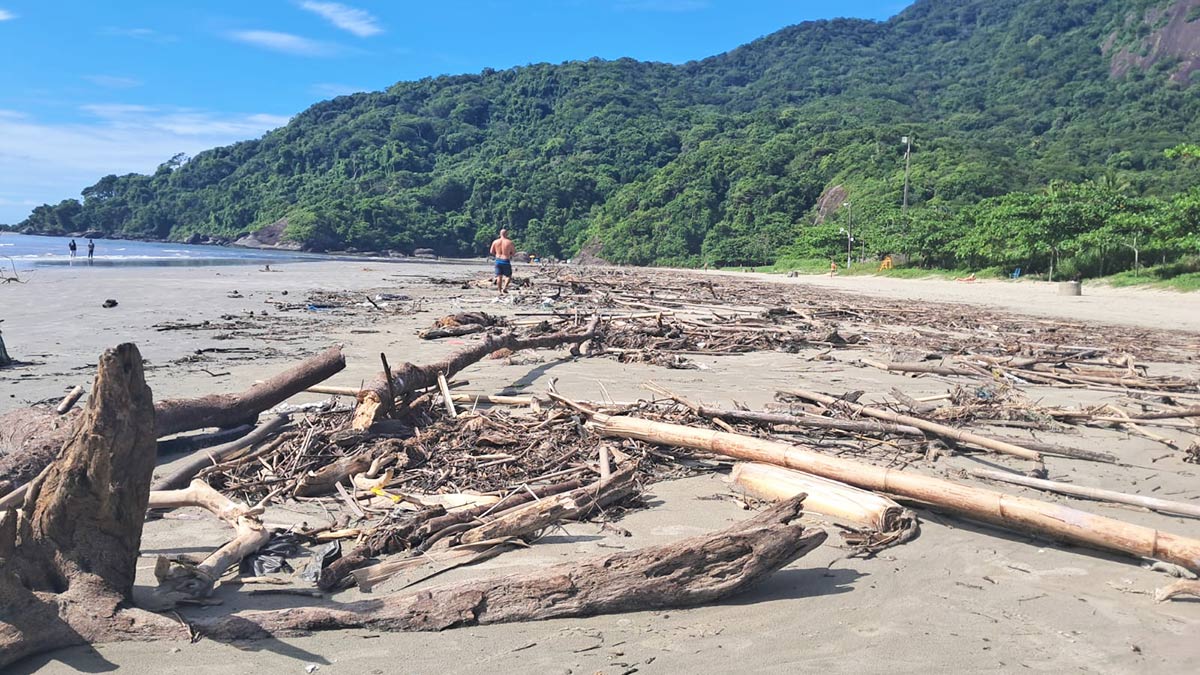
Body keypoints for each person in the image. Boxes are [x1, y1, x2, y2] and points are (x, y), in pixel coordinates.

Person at [489, 228, 516, 294]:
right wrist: (508, 253)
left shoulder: (495, 242)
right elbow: (513, 253)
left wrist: (497, 253)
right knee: (508, 276)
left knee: (499, 276)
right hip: (506, 260)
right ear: (506, 234)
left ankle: (499, 290)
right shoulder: (509, 242)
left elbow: (491, 251)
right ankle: (505, 287)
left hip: (498, 260)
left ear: (500, 234)